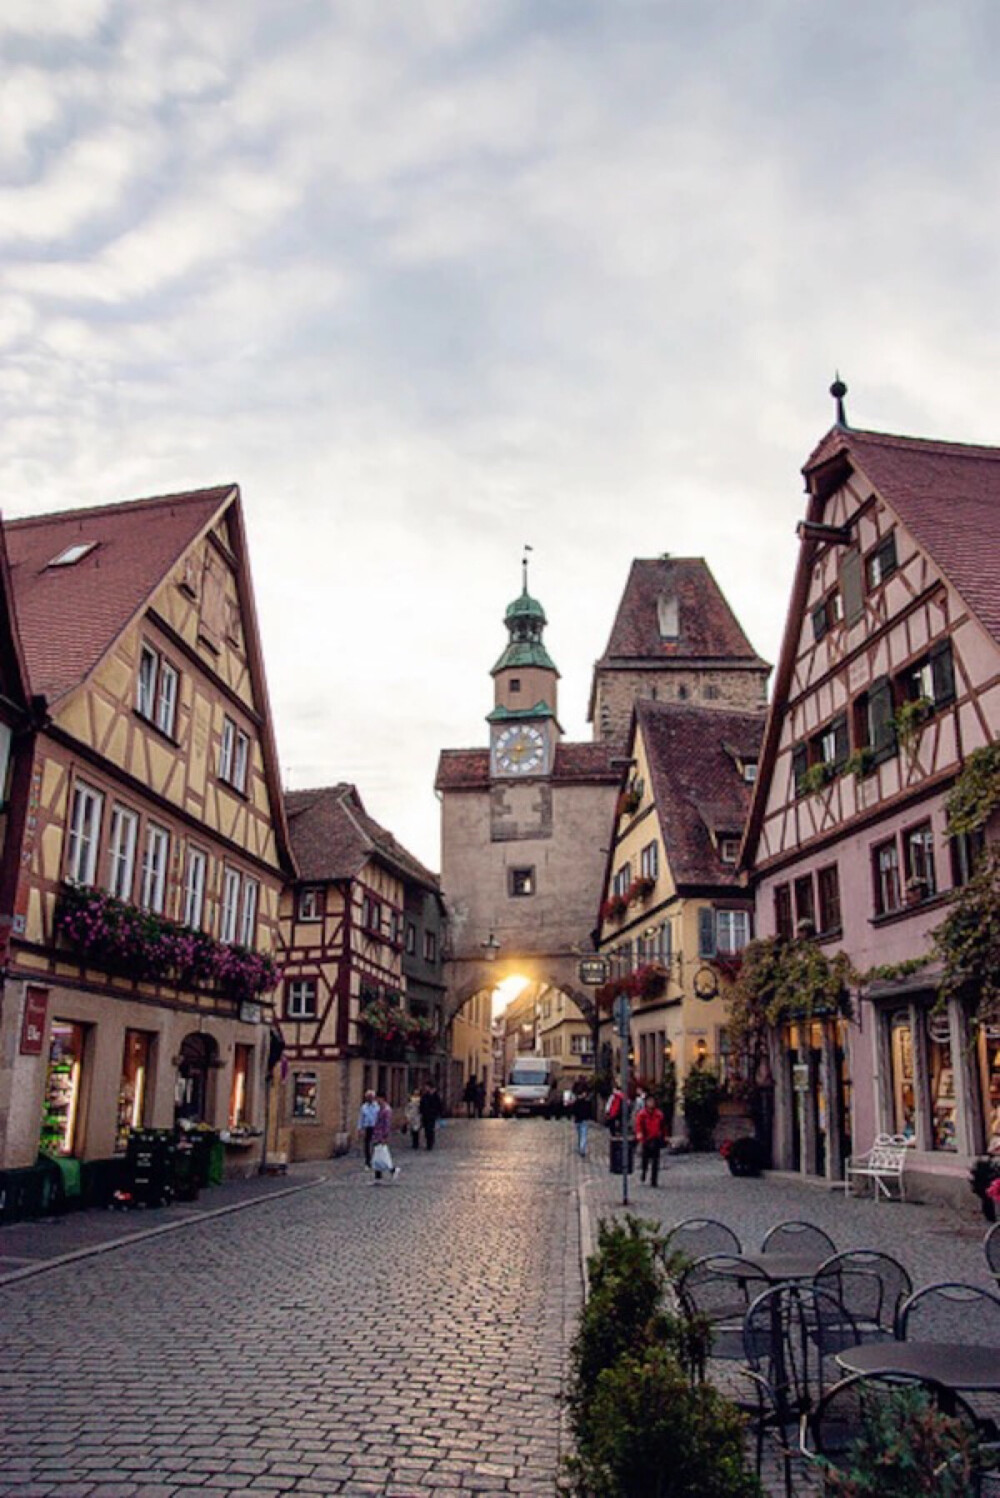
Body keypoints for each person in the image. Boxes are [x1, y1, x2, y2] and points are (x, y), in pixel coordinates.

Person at [635, 1092, 667, 1187]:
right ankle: (644, 1172)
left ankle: (654, 1180)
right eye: (649, 1101)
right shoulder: (642, 1114)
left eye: (652, 1101)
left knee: (655, 1160)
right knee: (645, 1159)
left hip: (656, 1138)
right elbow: (638, 1126)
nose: (651, 1103)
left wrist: (664, 1136)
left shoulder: (659, 1114)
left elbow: (663, 1126)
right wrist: (639, 1134)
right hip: (646, 1139)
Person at [370, 1094, 400, 1182]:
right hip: (377, 1134)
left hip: (381, 1135)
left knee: (381, 1155)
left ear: (382, 1099)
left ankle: (392, 1170)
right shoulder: (380, 1109)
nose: (376, 1101)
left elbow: (386, 1124)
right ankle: (378, 1176)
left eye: (378, 1099)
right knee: (377, 1156)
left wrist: (385, 1136)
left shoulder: (386, 1110)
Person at [357, 1088, 379, 1168]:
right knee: (366, 1144)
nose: (369, 1098)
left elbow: (379, 1117)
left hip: (375, 1127)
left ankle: (375, 1159)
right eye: (368, 1097)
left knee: (375, 1144)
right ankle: (367, 1160)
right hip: (367, 1127)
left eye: (371, 1097)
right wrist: (360, 1128)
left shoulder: (377, 1106)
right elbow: (361, 1118)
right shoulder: (364, 1107)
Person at [420, 1082, 442, 1150]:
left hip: (432, 1116)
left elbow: (439, 1106)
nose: (426, 1088)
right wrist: (421, 1111)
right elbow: (422, 1104)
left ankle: (430, 1144)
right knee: (426, 1130)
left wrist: (438, 1114)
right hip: (425, 1115)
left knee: (430, 1130)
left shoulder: (436, 1096)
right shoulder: (425, 1096)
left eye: (427, 1087)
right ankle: (428, 1143)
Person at [572, 1087, 593, 1158]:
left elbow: (573, 1111)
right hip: (583, 1120)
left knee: (581, 1135)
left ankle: (581, 1148)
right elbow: (589, 1111)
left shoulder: (576, 1102)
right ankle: (582, 1149)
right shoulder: (586, 1102)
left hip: (579, 1120)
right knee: (582, 1135)